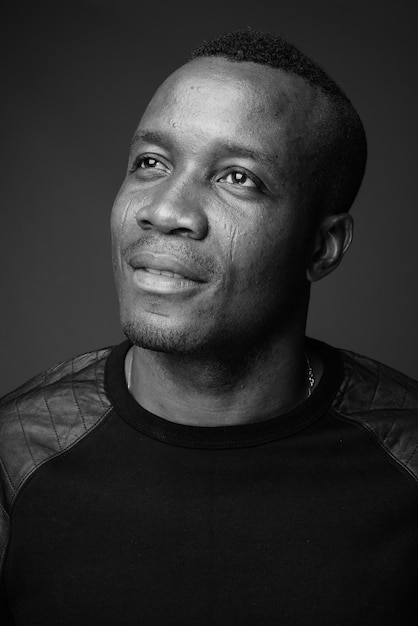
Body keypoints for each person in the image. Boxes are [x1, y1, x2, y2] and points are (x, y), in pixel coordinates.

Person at [0, 28, 417, 625]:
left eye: (237, 177)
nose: (165, 210)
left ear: (323, 247)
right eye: (150, 162)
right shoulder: (13, 457)